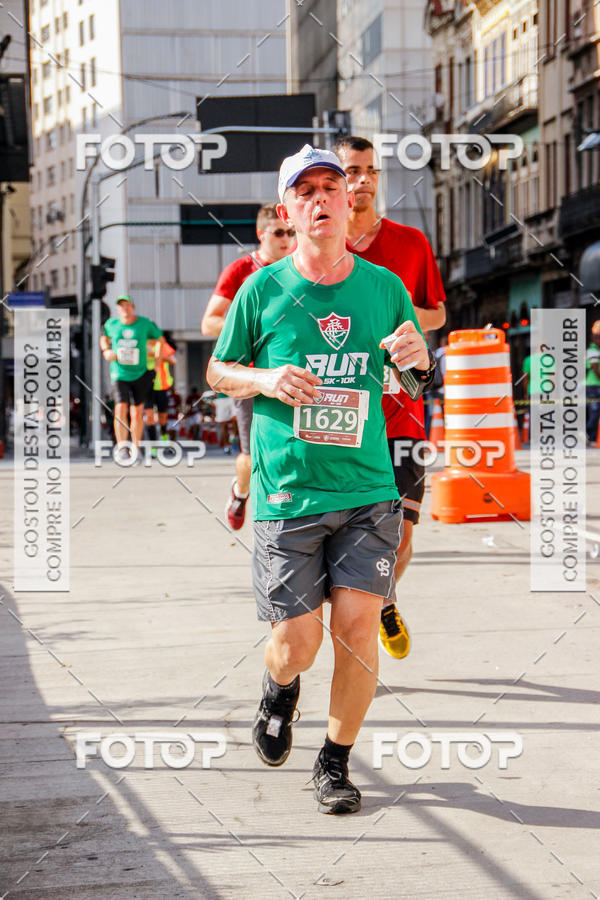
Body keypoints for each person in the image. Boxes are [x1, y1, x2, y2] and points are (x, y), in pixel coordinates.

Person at [207, 144, 435, 814]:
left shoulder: (384, 287)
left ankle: (333, 762)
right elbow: (219, 373)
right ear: (289, 211)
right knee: (296, 644)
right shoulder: (262, 289)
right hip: (288, 493)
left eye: (330, 186)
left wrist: (418, 361)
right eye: (303, 191)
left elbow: (408, 380)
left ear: (348, 200)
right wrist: (265, 379)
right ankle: (279, 690)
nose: (319, 199)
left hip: (366, 489)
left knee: (359, 630)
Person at [333, 135, 446, 660]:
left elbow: (437, 314)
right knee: (347, 533)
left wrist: (399, 326)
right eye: (351, 171)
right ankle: (361, 612)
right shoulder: (319, 247)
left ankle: (385, 598)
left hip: (403, 411)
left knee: (400, 537)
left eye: (370, 171)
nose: (363, 180)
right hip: (342, 417)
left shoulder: (411, 243)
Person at [202, 203, 296, 529]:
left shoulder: (302, 270)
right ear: (261, 234)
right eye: (279, 232)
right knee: (252, 455)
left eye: (292, 232)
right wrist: (251, 326)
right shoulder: (241, 270)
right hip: (251, 378)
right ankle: (241, 491)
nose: (287, 239)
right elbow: (209, 322)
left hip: (294, 376)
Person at [100, 295, 163, 460]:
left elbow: (160, 340)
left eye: (127, 306)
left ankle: (135, 447)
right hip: (119, 373)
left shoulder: (144, 324)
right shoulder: (111, 325)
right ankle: (122, 447)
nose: (125, 309)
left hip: (140, 372)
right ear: (117, 309)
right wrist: (106, 350)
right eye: (121, 306)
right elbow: (103, 338)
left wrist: (157, 360)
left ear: (133, 307)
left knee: (136, 412)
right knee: (120, 407)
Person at [144, 334, 177, 446]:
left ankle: (164, 435)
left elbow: (173, 360)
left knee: (162, 417)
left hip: (162, 386)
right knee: (149, 417)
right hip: (146, 386)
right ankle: (153, 446)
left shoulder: (162, 345)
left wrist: (157, 356)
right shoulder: (142, 344)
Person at [586, 319, 600, 444]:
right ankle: (588, 433)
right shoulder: (593, 350)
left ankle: (593, 436)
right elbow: (595, 369)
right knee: (595, 411)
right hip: (593, 385)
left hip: (595, 385)